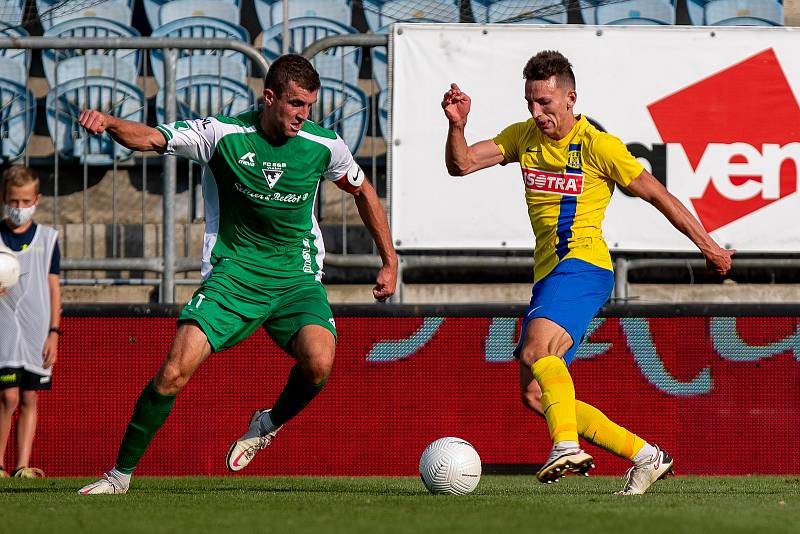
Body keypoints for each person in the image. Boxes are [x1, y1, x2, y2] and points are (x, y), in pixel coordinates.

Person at [77, 54, 398, 495]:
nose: (303, 115)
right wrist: (110, 123)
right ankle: (119, 477)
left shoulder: (326, 145)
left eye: (309, 106)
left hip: (295, 277)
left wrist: (389, 259)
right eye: (295, 104)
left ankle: (267, 423)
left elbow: (363, 190)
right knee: (173, 372)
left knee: (320, 361)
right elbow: (152, 138)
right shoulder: (222, 135)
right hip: (233, 275)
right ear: (270, 98)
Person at [442, 50, 734, 495]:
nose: (537, 113)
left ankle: (564, 446)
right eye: (530, 103)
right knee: (536, 395)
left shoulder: (598, 145)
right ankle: (646, 457)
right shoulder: (523, 138)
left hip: (584, 265)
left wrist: (709, 245)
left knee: (538, 351)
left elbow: (659, 195)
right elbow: (461, 164)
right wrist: (457, 126)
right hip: (550, 276)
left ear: (570, 98)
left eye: (545, 103)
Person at [0, 166, 62, 479]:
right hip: (4, 332)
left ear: (36, 200)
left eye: (26, 201)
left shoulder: (49, 239)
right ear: (3, 199)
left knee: (28, 397)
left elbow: (53, 287)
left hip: (37, 330)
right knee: (7, 396)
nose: (20, 208)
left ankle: (21, 465)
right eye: (14, 201)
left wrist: (54, 331)